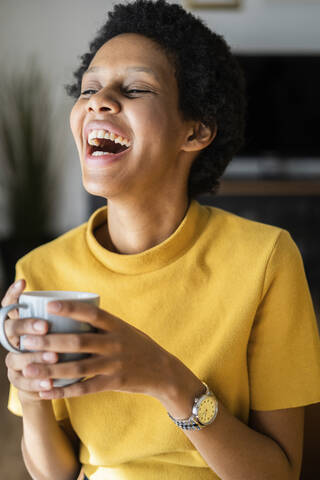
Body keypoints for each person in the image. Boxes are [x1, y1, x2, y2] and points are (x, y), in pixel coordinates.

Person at [2, 0, 320, 479]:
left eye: (134, 88)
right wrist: (30, 393)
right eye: (89, 88)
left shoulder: (266, 258)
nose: (98, 101)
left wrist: (166, 378)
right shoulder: (41, 272)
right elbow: (56, 474)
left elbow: (280, 472)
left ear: (195, 130)